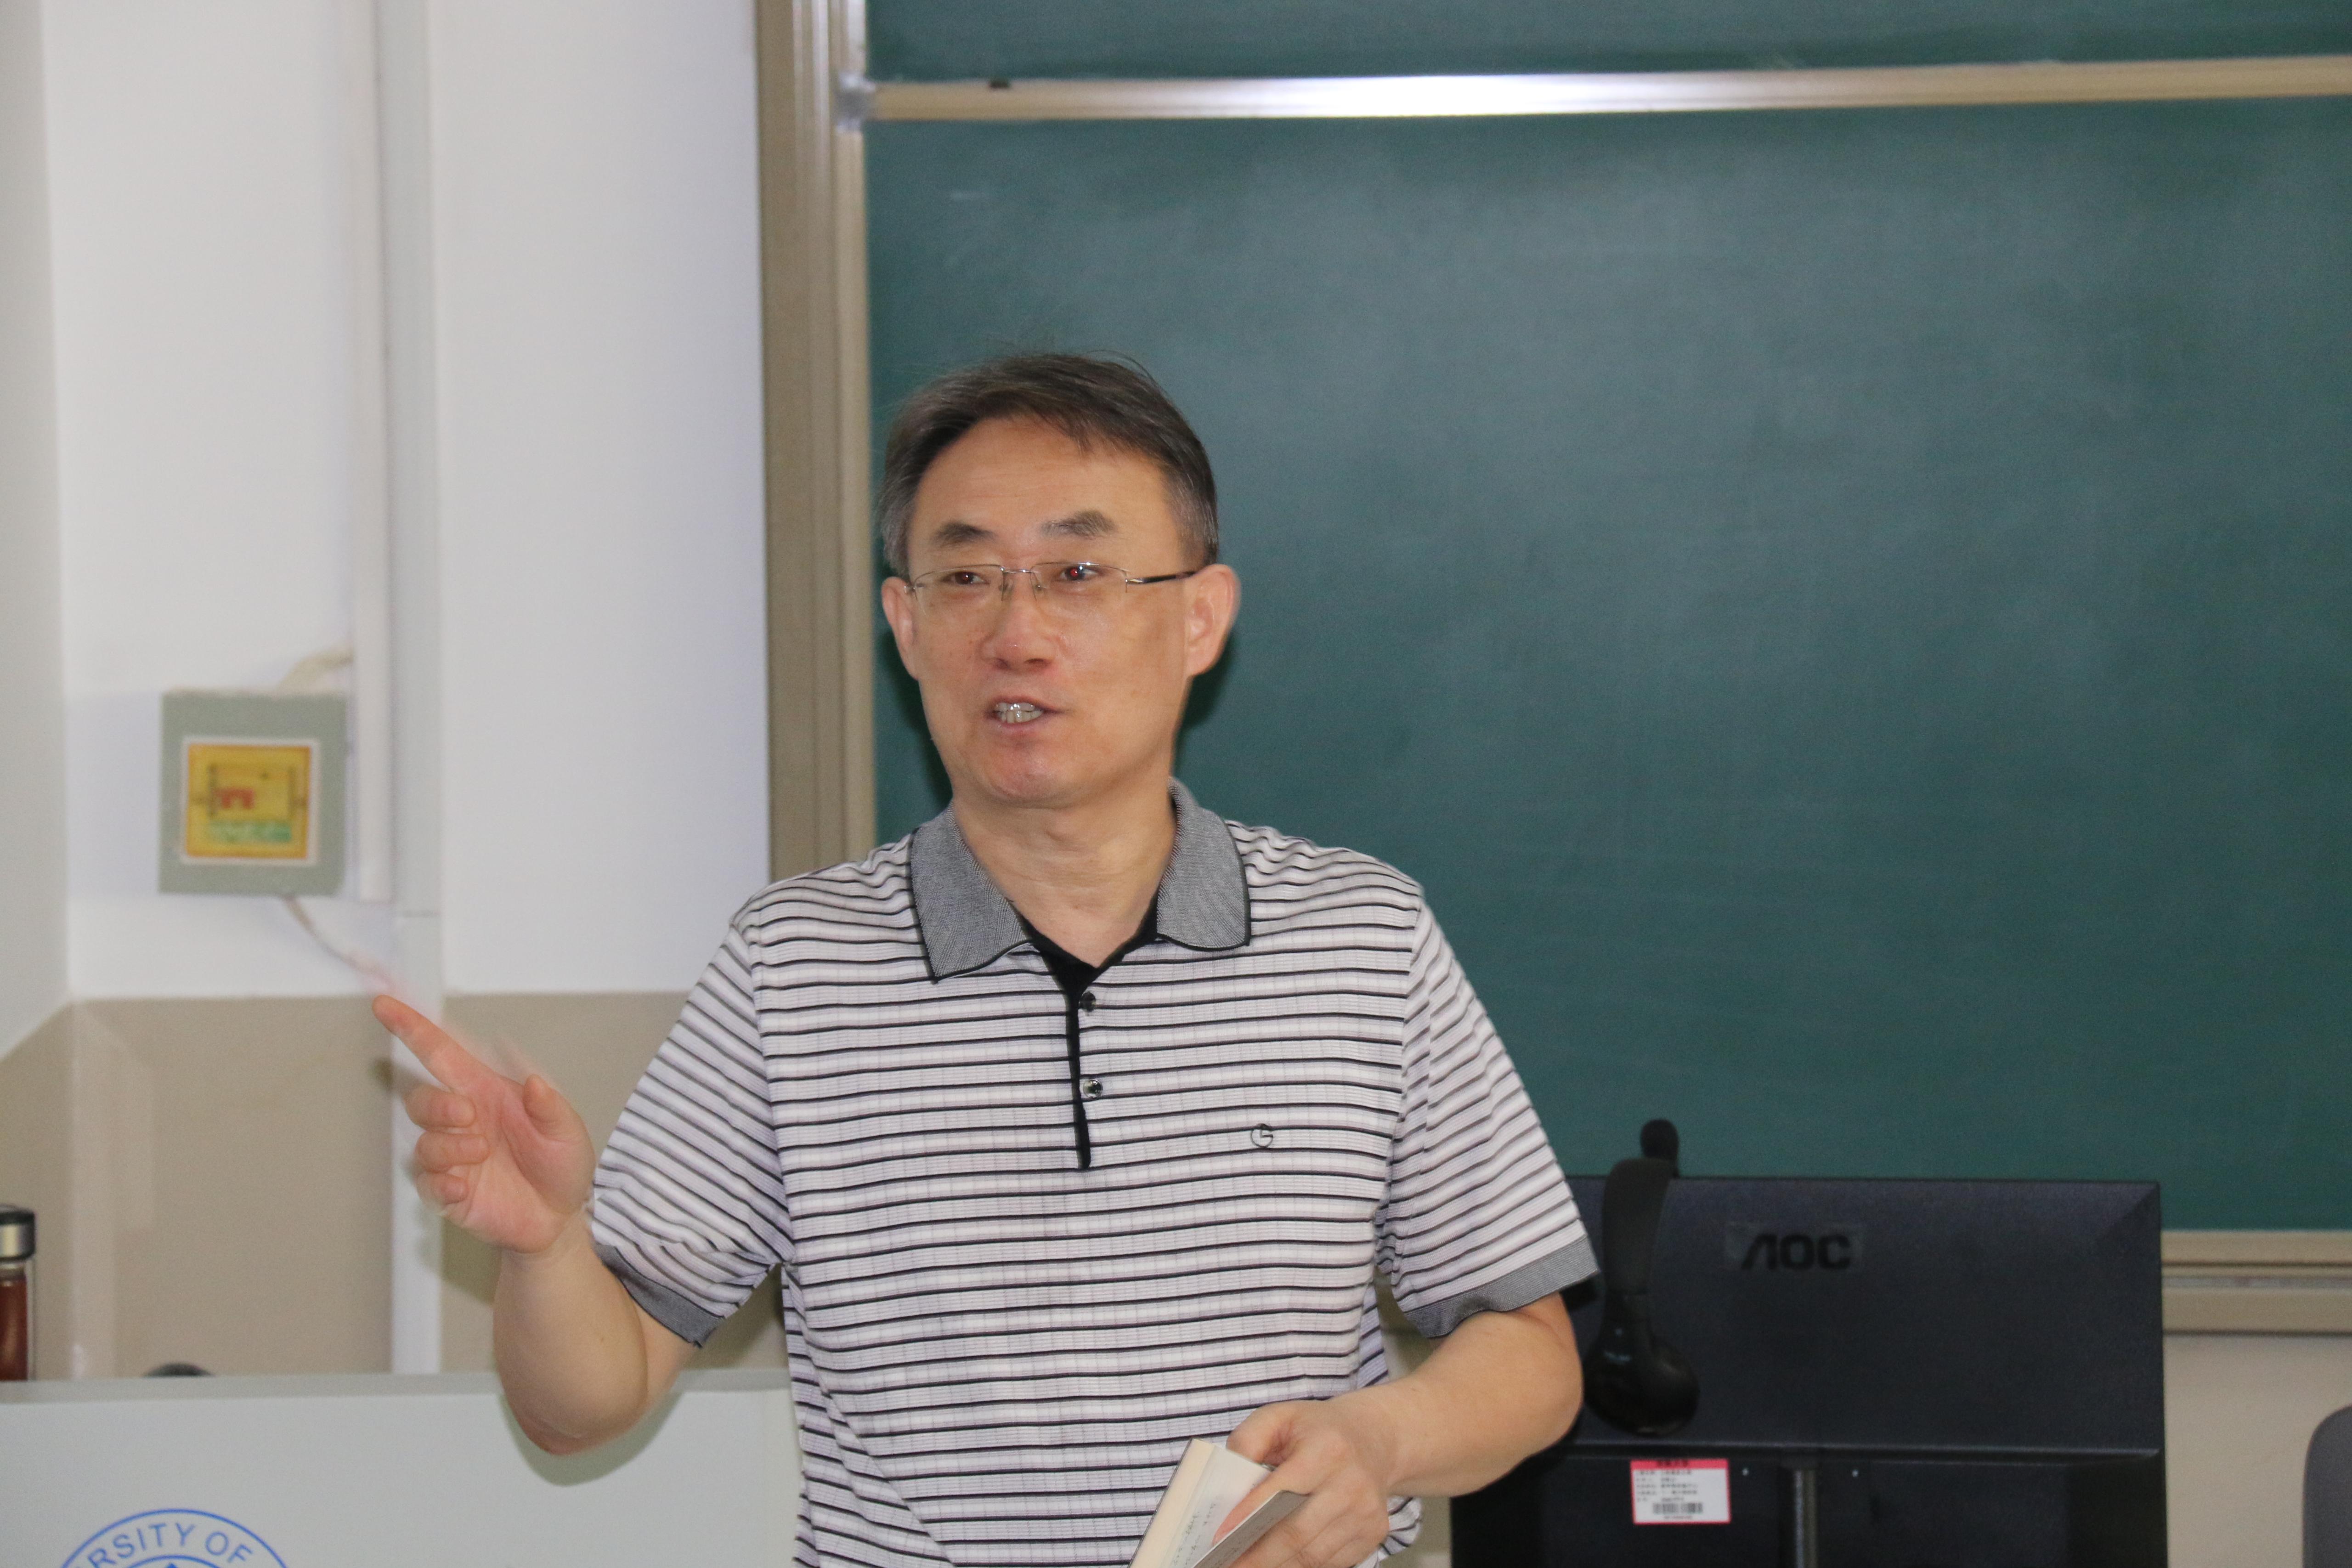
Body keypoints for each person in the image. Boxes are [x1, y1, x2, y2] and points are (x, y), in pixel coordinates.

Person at [380, 353, 1592, 1568]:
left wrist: (1379, 1441)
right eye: (966, 578)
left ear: (1199, 618)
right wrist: (547, 1248)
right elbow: (582, 1405)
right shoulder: (794, 966)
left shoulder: (1361, 938)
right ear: (907, 625)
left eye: (1078, 573)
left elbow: (1530, 1352)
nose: (1019, 634)